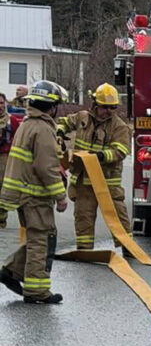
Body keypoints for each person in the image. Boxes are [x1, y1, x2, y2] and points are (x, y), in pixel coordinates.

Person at [0, 81, 69, 303]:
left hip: (22, 193)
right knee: (42, 238)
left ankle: (12, 272)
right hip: (35, 195)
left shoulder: (27, 124)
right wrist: (60, 196)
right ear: (51, 107)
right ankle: (37, 290)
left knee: (35, 237)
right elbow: (47, 167)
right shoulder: (42, 128)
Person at [59, 82, 132, 249]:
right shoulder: (82, 117)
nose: (109, 111)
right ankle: (85, 252)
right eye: (105, 107)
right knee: (83, 219)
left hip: (107, 183)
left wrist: (101, 156)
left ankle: (129, 250)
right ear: (95, 105)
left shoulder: (120, 127)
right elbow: (64, 122)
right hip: (83, 182)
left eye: (113, 107)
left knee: (119, 219)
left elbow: (121, 151)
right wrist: (59, 131)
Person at [0, 94, 9, 228]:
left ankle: (1, 220)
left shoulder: (11, 121)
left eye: (2, 103)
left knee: (2, 187)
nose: (0, 106)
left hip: (4, 157)